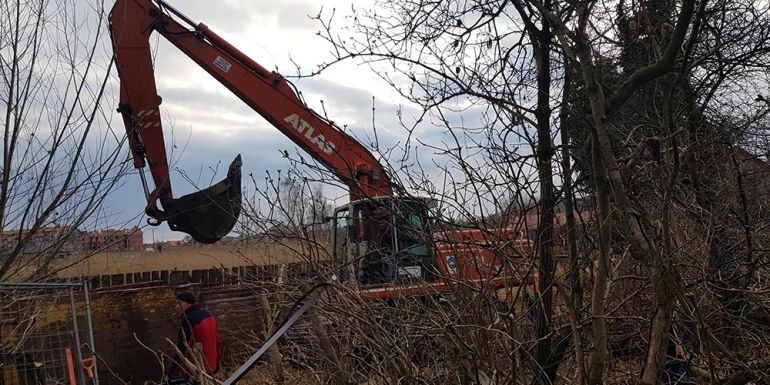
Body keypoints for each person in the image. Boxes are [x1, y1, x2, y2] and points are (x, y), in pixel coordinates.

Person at [168, 290, 222, 384]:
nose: (177, 306)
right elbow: (218, 342)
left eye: (180, 303)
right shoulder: (209, 314)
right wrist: (216, 364)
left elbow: (182, 349)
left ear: (189, 303)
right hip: (210, 368)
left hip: (196, 371)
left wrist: (171, 374)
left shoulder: (190, 320)